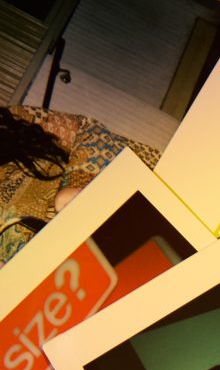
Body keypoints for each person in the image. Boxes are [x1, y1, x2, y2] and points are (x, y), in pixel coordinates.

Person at [0, 105, 159, 265]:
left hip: (131, 213)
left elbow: (87, 128)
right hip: (81, 270)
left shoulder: (10, 123)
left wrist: (75, 183)